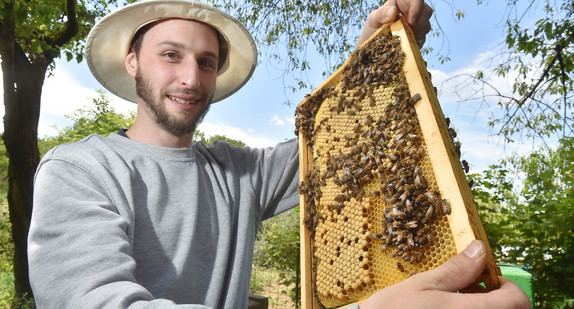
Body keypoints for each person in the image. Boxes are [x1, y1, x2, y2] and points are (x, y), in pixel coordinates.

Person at [27, 0, 531, 308]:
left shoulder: (237, 172)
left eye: (206, 62)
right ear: (133, 61)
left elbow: (341, 141)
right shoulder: (79, 169)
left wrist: (376, 49)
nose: (190, 78)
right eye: (170, 55)